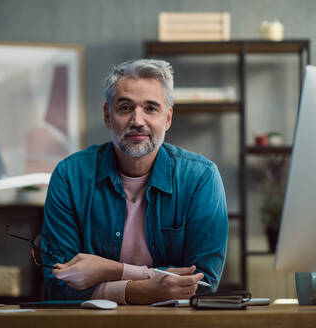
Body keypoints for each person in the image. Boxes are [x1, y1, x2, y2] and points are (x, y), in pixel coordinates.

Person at [41, 59, 228, 304]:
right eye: (126, 107)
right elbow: (59, 284)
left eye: (151, 108)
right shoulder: (70, 176)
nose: (137, 120)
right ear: (108, 116)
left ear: (168, 118)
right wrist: (146, 285)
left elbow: (203, 284)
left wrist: (106, 270)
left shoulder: (201, 178)